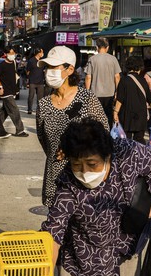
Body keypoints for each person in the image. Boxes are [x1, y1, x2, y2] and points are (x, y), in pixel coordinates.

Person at [42, 118, 151, 276]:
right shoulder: (68, 184)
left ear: (107, 155)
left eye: (92, 164)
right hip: (82, 249)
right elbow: (54, 231)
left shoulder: (131, 154)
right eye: (76, 165)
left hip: (126, 238)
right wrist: (46, 273)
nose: (84, 172)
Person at [35, 45, 109, 207]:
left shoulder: (87, 98)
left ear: (70, 70)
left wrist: (73, 151)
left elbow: (105, 136)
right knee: (57, 226)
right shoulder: (44, 104)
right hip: (55, 177)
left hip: (85, 177)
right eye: (47, 67)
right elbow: (44, 141)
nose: (49, 71)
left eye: (54, 67)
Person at [114, 54, 151, 143]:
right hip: (141, 114)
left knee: (126, 139)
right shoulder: (143, 80)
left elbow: (120, 99)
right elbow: (150, 98)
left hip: (127, 114)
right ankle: (139, 155)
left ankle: (127, 155)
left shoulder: (124, 80)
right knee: (139, 138)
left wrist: (115, 112)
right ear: (140, 67)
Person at [85, 38, 121, 125]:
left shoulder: (92, 59)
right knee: (108, 116)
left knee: (96, 117)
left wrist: (87, 92)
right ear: (107, 47)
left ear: (97, 47)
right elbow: (117, 77)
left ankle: (97, 135)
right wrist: (117, 91)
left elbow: (88, 77)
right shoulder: (113, 59)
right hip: (110, 93)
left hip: (95, 93)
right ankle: (107, 134)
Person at [0, 48, 29, 137]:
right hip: (5, 92)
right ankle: (20, 130)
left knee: (5, 111)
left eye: (14, 53)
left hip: (11, 90)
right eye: (11, 53)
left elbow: (13, 78)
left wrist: (16, 90)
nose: (12, 55)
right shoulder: (1, 65)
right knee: (15, 110)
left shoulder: (13, 63)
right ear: (6, 54)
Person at [26, 46, 47, 114]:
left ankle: (39, 110)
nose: (42, 53)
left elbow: (44, 70)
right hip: (32, 81)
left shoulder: (42, 61)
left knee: (40, 98)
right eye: (42, 52)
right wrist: (28, 80)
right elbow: (27, 71)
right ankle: (29, 109)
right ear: (38, 53)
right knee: (31, 96)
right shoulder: (31, 61)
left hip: (40, 81)